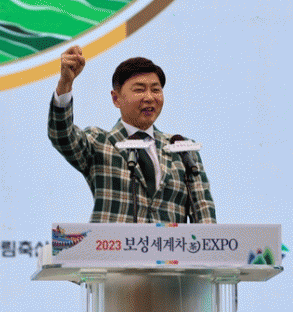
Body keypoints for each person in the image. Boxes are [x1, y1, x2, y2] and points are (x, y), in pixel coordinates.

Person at [48, 45, 216, 224]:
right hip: (112, 243)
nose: (149, 97)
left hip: (169, 243)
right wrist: (65, 83)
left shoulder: (182, 149)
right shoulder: (99, 142)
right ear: (116, 98)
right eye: (139, 90)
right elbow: (62, 135)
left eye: (156, 90)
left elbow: (204, 213)